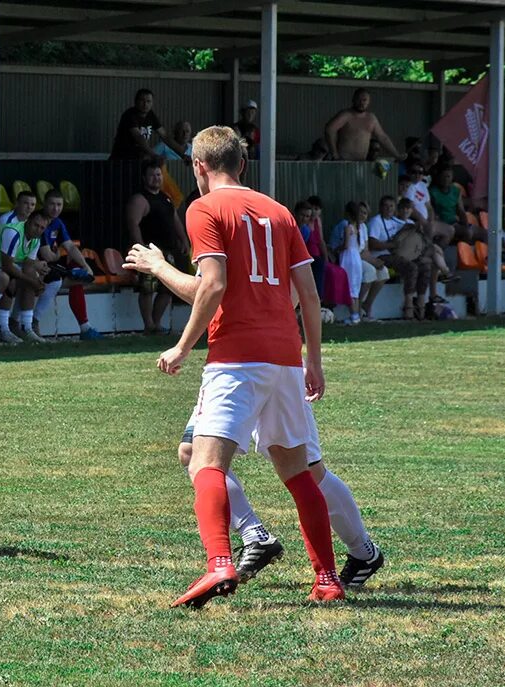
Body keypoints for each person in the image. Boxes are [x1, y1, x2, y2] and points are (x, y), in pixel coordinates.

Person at [140, 125, 342, 607]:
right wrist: (312, 358)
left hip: (235, 356)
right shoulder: (279, 212)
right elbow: (310, 295)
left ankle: (219, 564)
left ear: (199, 166)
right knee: (298, 472)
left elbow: (212, 285)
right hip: (284, 358)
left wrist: (184, 346)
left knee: (205, 461)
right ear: (243, 164)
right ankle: (328, 578)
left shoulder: (203, 208)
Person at [124, 241, 384, 589]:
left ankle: (362, 551)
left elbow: (208, 289)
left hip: (254, 363)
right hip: (254, 359)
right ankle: (257, 536)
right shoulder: (259, 219)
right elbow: (290, 291)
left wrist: (158, 266)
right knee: (194, 453)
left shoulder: (227, 218)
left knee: (305, 469)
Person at [125, 161, 189, 334]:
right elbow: (133, 224)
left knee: (168, 288)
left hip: (169, 251)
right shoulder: (140, 199)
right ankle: (148, 325)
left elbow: (175, 221)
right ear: (144, 177)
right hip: (150, 251)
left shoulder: (165, 197)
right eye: (152, 175)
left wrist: (183, 240)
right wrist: (141, 248)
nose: (156, 178)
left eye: (159, 175)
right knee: (148, 288)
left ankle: (156, 323)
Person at [39, 189, 102, 340]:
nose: (56, 208)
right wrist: (58, 254)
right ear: (44, 204)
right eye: (52, 204)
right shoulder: (39, 222)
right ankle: (84, 327)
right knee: (75, 279)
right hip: (35, 267)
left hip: (48, 267)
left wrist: (86, 266)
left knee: (77, 272)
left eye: (59, 205)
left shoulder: (58, 223)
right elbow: (47, 255)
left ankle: (85, 328)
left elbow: (71, 247)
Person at [367, 196, 429, 320]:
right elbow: (372, 244)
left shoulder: (396, 221)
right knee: (411, 267)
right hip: (381, 256)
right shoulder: (376, 221)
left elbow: (408, 231)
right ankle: (408, 306)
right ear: (380, 208)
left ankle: (421, 303)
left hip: (397, 255)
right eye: (386, 206)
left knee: (425, 266)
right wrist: (392, 245)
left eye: (391, 206)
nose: (389, 208)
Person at [0, 209, 51, 343]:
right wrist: (32, 281)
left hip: (9, 266)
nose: (38, 229)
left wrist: (37, 280)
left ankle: (27, 327)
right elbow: (7, 265)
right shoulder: (13, 232)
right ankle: (3, 328)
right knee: (11, 281)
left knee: (31, 277)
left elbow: (28, 265)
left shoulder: (36, 240)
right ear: (28, 221)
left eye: (42, 228)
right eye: (35, 225)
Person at [109, 88, 188, 164]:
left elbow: (165, 136)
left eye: (148, 101)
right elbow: (138, 137)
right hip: (121, 159)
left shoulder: (151, 115)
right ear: (135, 101)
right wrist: (153, 155)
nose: (145, 104)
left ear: (152, 103)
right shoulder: (129, 115)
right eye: (142, 101)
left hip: (139, 160)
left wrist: (183, 155)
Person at [323, 88, 400, 162]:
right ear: (353, 100)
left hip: (361, 161)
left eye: (364, 100)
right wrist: (334, 153)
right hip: (343, 160)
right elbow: (329, 129)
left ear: (368, 102)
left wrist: (396, 155)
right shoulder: (346, 115)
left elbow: (383, 138)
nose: (361, 103)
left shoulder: (371, 118)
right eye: (359, 100)